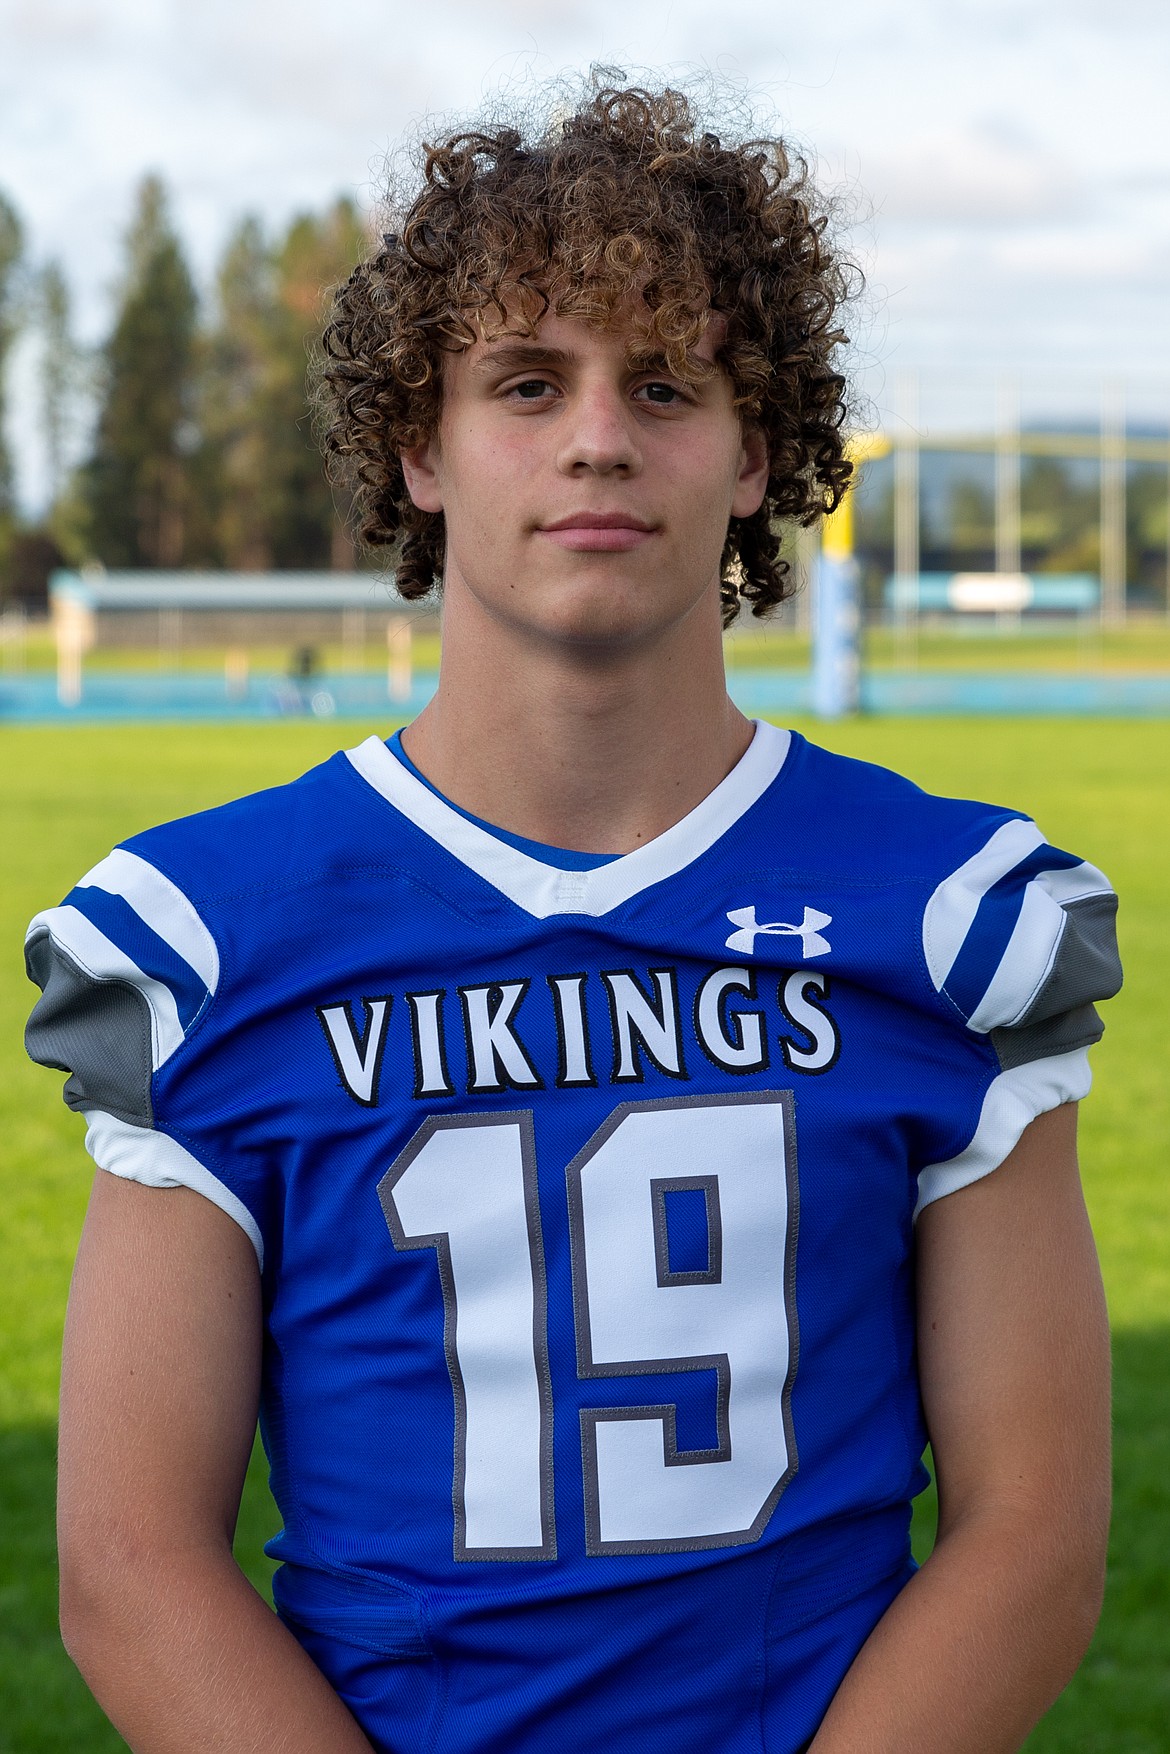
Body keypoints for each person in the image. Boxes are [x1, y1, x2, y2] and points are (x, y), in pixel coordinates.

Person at [25, 81, 1120, 1754]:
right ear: (420, 446)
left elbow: (1032, 1530)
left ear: (760, 455)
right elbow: (126, 1559)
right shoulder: (215, 940)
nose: (597, 437)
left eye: (665, 385)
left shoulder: (940, 916)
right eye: (525, 384)